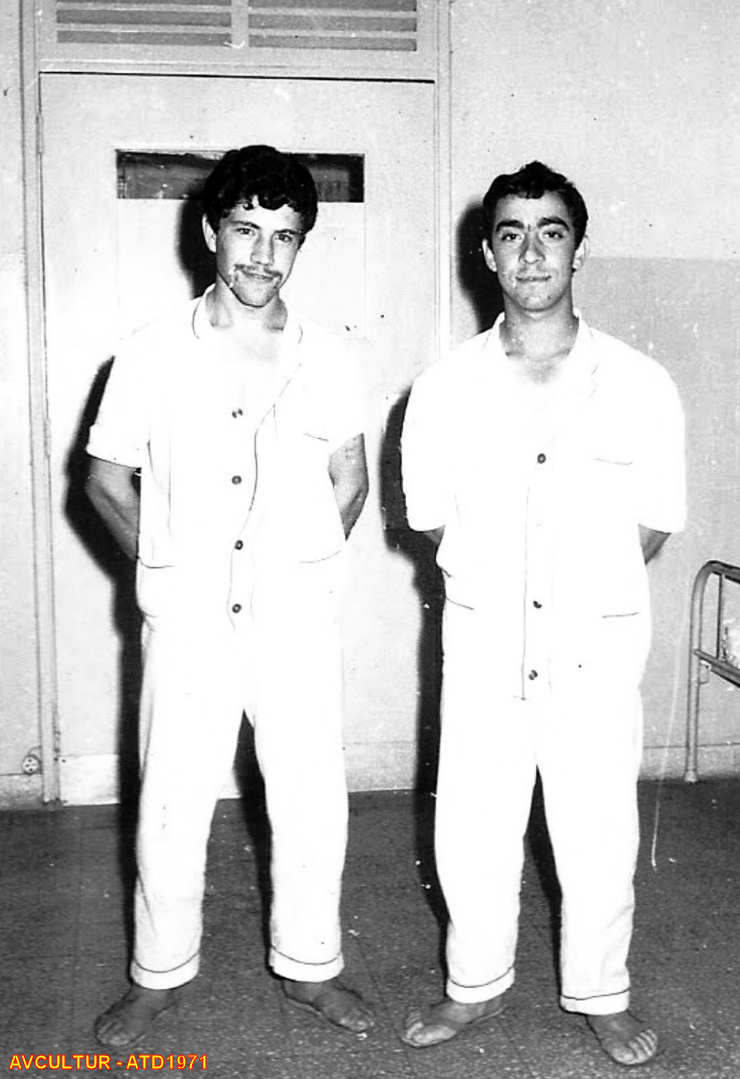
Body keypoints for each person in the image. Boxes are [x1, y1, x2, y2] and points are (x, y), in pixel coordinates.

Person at [86, 145, 374, 1046]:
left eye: (283, 237)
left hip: (293, 617)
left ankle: (310, 966)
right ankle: (157, 974)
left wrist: (298, 568)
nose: (262, 254)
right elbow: (105, 480)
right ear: (211, 230)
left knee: (311, 798)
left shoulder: (330, 356)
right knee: (171, 798)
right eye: (246, 230)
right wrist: (168, 569)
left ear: (301, 246)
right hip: (190, 617)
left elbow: (350, 480)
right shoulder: (150, 352)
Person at [400, 161, 685, 1067]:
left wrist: (576, 590)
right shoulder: (444, 387)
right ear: (487, 253)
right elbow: (433, 517)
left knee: (597, 825)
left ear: (579, 249)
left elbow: (651, 521)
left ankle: (602, 993)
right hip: (485, 637)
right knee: (472, 822)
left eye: (551, 232)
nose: (531, 252)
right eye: (512, 234)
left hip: (594, 643)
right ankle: (474, 985)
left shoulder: (639, 383)